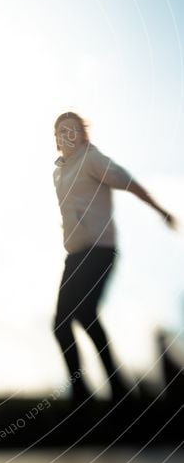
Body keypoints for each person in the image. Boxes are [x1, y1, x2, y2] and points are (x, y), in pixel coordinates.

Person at [52, 112, 176, 404]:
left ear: (83, 135)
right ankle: (116, 390)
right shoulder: (58, 172)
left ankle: (86, 395)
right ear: (55, 139)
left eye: (72, 130)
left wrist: (162, 211)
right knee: (71, 320)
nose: (67, 136)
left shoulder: (92, 159)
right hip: (75, 255)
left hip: (99, 251)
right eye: (60, 132)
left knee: (76, 317)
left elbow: (128, 182)